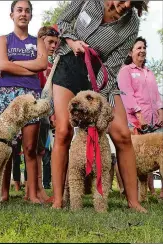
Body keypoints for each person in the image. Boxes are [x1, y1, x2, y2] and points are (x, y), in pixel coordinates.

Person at [49, 1, 148, 212]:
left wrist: (96, 87)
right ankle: (58, 200)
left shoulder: (132, 23)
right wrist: (73, 41)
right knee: (64, 130)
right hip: (69, 64)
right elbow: (63, 20)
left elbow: (115, 62)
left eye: (133, 1)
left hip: (101, 75)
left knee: (122, 134)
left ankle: (134, 201)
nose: (126, 4)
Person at [0, 0, 47, 203]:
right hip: (7, 93)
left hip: (31, 95)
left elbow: (42, 63)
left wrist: (17, 64)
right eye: (19, 10)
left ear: (31, 15)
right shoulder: (3, 40)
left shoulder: (37, 41)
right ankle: (3, 193)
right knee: (6, 145)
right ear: (11, 14)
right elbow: (2, 65)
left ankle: (31, 194)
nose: (23, 14)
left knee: (30, 147)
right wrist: (29, 69)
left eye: (27, 11)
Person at [118, 36, 163, 198]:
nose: (142, 50)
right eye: (139, 48)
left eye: (144, 47)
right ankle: (130, 192)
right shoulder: (125, 71)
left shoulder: (149, 72)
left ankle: (149, 192)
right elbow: (127, 95)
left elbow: (156, 95)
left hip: (152, 122)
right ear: (130, 52)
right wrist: (138, 115)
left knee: (151, 158)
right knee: (135, 159)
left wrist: (161, 111)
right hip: (134, 122)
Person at [33, 26, 60, 202]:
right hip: (30, 106)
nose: (53, 46)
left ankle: (38, 188)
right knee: (28, 150)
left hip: (44, 112)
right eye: (50, 42)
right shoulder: (34, 60)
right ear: (40, 40)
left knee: (40, 150)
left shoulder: (52, 65)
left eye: (56, 43)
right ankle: (33, 189)